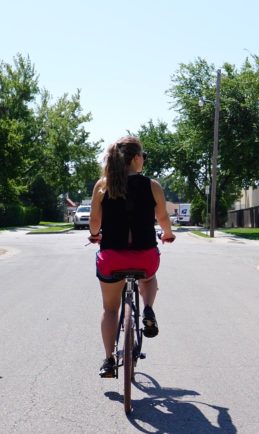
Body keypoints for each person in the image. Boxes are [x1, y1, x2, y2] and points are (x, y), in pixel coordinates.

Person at [88, 136, 175, 378]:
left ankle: (108, 360)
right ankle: (147, 308)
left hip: (112, 258)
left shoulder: (103, 185)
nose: (144, 161)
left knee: (109, 309)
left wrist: (95, 235)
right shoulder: (152, 185)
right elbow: (163, 219)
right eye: (143, 156)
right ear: (136, 158)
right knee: (148, 278)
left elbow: (94, 221)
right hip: (144, 257)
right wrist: (168, 235)